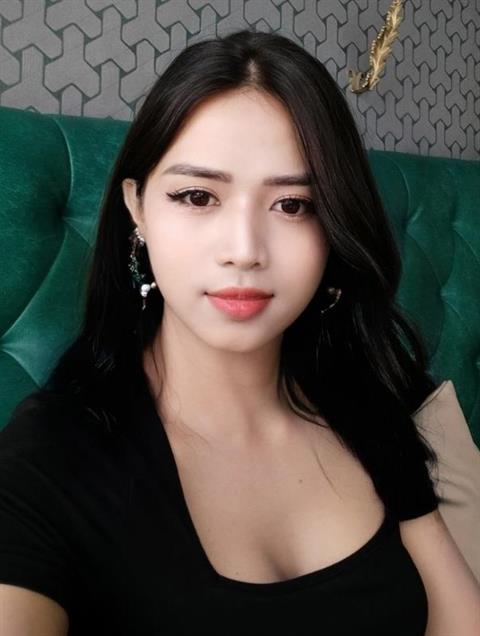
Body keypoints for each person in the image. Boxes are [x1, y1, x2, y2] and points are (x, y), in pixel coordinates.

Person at [0, 27, 479, 636]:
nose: (245, 249)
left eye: (293, 205)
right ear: (138, 208)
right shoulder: (49, 459)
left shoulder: (367, 404)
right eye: (198, 196)